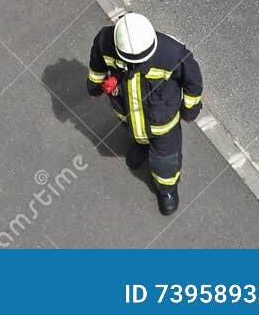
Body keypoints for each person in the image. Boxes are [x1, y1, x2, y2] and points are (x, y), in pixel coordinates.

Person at [87, 12, 203, 215]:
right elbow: (96, 67)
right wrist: (95, 86)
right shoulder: (104, 41)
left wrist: (189, 110)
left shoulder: (173, 54)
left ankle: (167, 189)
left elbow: (193, 83)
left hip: (162, 124)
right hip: (128, 113)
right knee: (134, 132)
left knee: (165, 160)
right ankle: (142, 145)